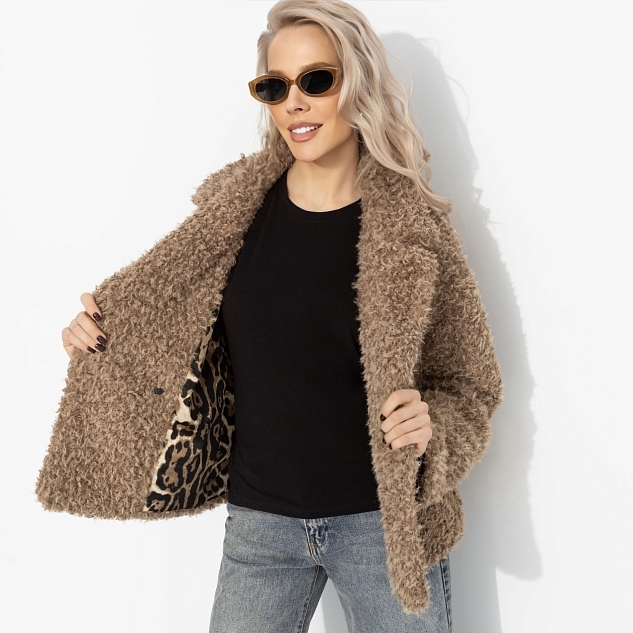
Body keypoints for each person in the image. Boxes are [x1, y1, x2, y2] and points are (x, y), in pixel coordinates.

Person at [38, 1, 503, 631]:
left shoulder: (413, 232)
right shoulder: (233, 216)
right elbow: (166, 326)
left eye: (317, 80)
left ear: (358, 85)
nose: (294, 104)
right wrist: (102, 337)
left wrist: (432, 429)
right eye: (275, 87)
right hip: (261, 529)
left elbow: (470, 383)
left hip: (384, 527)